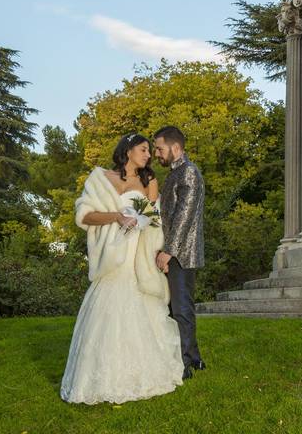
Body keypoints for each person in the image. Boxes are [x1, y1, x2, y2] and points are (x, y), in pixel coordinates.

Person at [60, 133, 184, 404]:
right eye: (143, 149)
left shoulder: (149, 180)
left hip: (137, 254)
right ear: (128, 150)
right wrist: (116, 217)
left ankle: (141, 373)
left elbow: (154, 218)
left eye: (150, 151)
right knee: (106, 310)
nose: (149, 155)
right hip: (112, 255)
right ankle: (99, 377)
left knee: (140, 308)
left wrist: (152, 244)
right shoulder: (100, 179)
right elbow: (85, 215)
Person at [153, 125, 206, 380]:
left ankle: (184, 365)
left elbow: (184, 216)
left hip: (182, 255)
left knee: (182, 309)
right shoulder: (175, 174)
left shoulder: (189, 172)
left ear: (175, 148)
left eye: (159, 148)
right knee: (179, 307)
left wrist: (168, 252)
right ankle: (194, 359)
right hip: (175, 253)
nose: (156, 154)